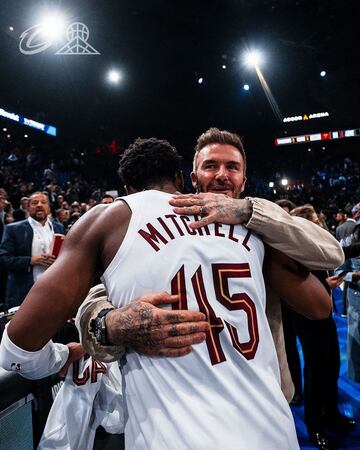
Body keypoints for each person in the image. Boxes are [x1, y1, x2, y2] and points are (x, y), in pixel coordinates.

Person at [0, 135, 336, 450]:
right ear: (186, 178)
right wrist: (108, 322)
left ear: (127, 189)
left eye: (232, 167)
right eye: (211, 167)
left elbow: (17, 348)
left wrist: (60, 356)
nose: (221, 176)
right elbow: (321, 305)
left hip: (172, 433)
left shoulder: (254, 222)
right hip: (269, 430)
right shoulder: (255, 238)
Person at [0, 192, 65, 309]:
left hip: (54, 289)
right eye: (34, 203)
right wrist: (30, 260)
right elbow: (4, 258)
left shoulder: (59, 227)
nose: (39, 205)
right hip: (23, 292)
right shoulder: (13, 229)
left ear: (49, 208)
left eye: (43, 202)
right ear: (27, 208)